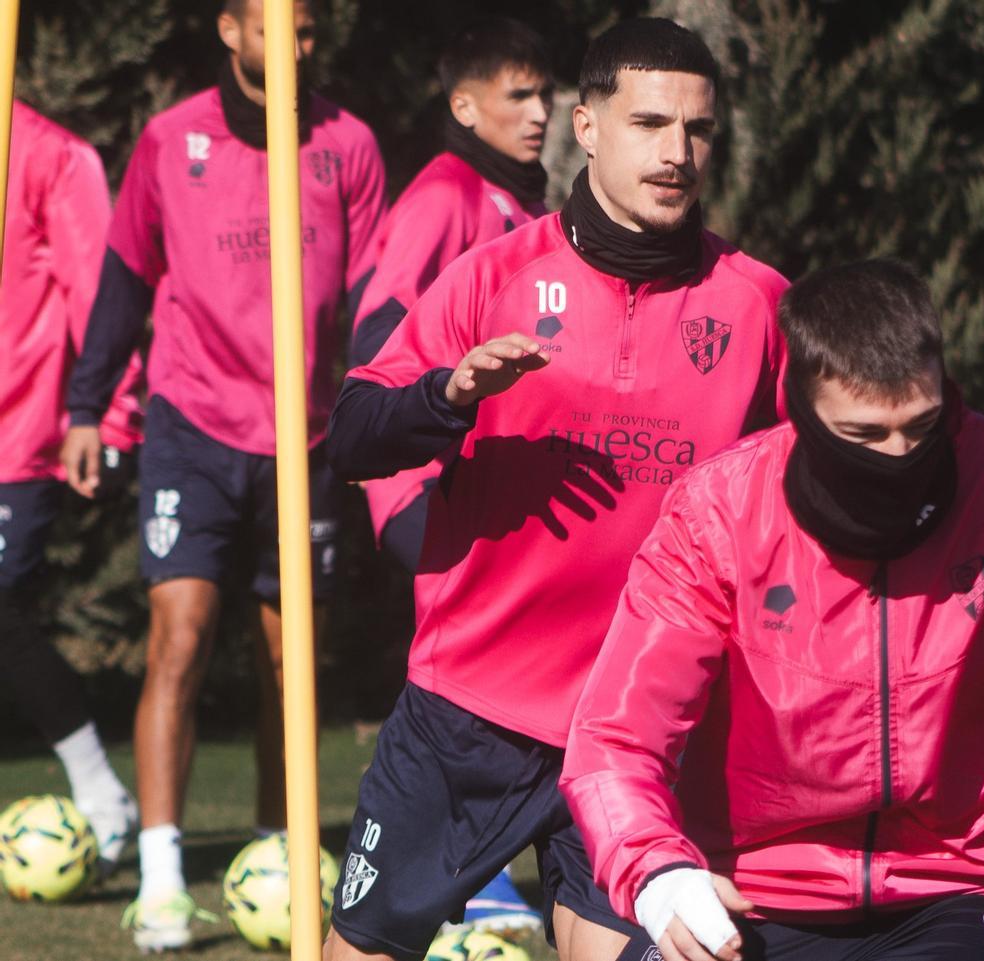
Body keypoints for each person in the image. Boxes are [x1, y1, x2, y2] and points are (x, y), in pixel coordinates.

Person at [560, 259, 984, 961]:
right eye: (865, 436)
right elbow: (617, 739)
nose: (898, 456)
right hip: (747, 885)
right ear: (801, 408)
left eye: (921, 427)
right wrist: (656, 871)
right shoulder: (717, 512)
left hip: (959, 884)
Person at [322, 18, 788, 961]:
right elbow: (352, 437)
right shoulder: (492, 277)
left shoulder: (758, 302)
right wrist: (447, 395)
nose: (676, 152)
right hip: (470, 708)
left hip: (641, 723)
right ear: (586, 126)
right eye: (650, 123)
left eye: (697, 130)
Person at [60, 0, 386, 950]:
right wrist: (87, 409)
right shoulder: (170, 140)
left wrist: (377, 416)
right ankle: (161, 875)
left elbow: (374, 296)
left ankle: (274, 854)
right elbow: (124, 277)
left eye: (311, 29)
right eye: (276, 24)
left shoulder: (349, 144)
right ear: (231, 30)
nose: (295, 43)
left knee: (293, 665)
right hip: (192, 424)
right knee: (182, 638)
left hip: (308, 435)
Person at [350, 17, 555, 935]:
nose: (542, 112)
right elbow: (374, 340)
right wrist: (432, 427)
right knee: (476, 658)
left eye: (546, 93)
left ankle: (519, 864)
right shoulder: (442, 197)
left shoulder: (524, 199)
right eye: (519, 96)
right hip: (420, 484)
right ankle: (471, 876)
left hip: (485, 479)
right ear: (464, 106)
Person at [0, 99, 143, 878]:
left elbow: (100, 294)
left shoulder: (52, 155)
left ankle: (101, 793)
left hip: (16, 435)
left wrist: (113, 418)